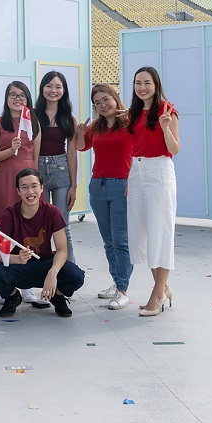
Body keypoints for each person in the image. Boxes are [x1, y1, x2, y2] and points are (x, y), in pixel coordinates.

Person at [0, 168, 85, 318]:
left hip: (45, 263)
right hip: (20, 267)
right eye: (24, 187)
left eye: (34, 186)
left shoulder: (52, 212)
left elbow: (62, 250)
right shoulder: (8, 215)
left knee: (75, 275)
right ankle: (13, 297)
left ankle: (57, 296)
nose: (30, 191)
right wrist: (17, 259)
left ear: (41, 188)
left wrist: (53, 273)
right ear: (18, 191)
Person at [0, 81, 44, 306]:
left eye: (22, 95)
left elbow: (35, 159)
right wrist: (10, 150)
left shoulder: (34, 124)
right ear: (6, 98)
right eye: (12, 95)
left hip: (27, 181)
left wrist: (35, 187)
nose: (17, 99)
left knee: (27, 232)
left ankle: (26, 284)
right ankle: (5, 285)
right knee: (5, 234)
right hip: (4, 180)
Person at [126, 66, 180, 317]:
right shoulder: (134, 112)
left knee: (161, 231)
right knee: (143, 234)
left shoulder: (166, 110)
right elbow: (134, 145)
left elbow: (175, 149)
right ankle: (164, 286)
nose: (142, 87)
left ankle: (157, 294)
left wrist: (165, 126)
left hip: (159, 170)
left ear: (156, 84)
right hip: (136, 171)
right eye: (138, 82)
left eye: (147, 82)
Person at [76, 83, 134, 310]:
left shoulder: (130, 123)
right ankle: (116, 281)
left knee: (121, 240)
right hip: (98, 186)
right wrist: (81, 134)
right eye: (97, 103)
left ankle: (123, 289)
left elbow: (144, 147)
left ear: (115, 97)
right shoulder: (97, 127)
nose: (102, 105)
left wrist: (133, 182)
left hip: (122, 186)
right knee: (109, 241)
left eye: (105, 99)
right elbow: (82, 147)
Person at [35, 71, 79, 262]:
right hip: (38, 171)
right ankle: (41, 269)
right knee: (40, 224)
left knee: (63, 225)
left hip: (61, 172)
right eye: (49, 86)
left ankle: (69, 270)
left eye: (58, 86)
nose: (53, 90)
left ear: (64, 90)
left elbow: (71, 153)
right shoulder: (33, 114)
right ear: (42, 88)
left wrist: (74, 186)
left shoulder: (69, 117)